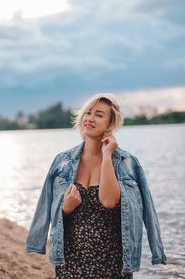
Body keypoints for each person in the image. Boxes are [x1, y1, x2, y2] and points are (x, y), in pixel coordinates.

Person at [25, 93, 167, 278]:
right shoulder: (62, 161)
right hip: (71, 259)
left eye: (99, 115)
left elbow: (108, 201)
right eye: (87, 113)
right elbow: (46, 206)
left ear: (110, 123)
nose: (90, 118)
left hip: (112, 261)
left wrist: (107, 156)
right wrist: (65, 208)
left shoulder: (127, 163)